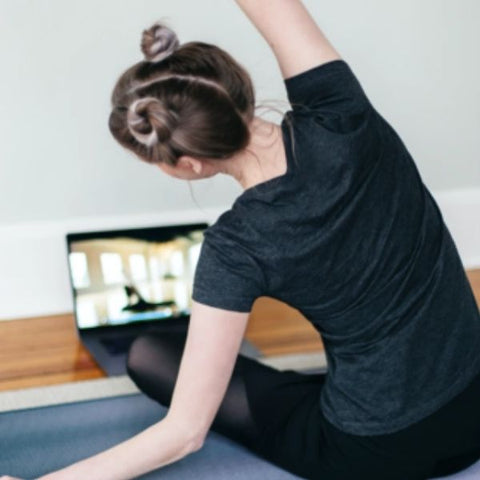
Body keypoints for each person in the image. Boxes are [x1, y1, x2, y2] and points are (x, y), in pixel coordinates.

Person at [6, 1, 479, 479]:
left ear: (189, 165)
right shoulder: (342, 109)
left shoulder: (235, 247)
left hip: (379, 453)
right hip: (475, 405)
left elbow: (184, 433)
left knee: (150, 355)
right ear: (237, 87)